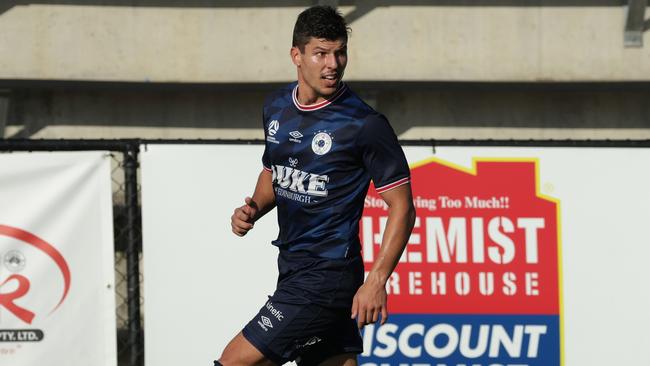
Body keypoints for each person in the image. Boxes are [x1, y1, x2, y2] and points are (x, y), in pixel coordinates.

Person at [217, 5, 415, 366]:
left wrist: (376, 281)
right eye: (321, 53)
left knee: (232, 363)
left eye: (340, 52)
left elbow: (402, 206)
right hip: (293, 268)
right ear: (297, 55)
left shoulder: (364, 124)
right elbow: (273, 172)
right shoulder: (276, 106)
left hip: (325, 277)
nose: (333, 63)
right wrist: (254, 210)